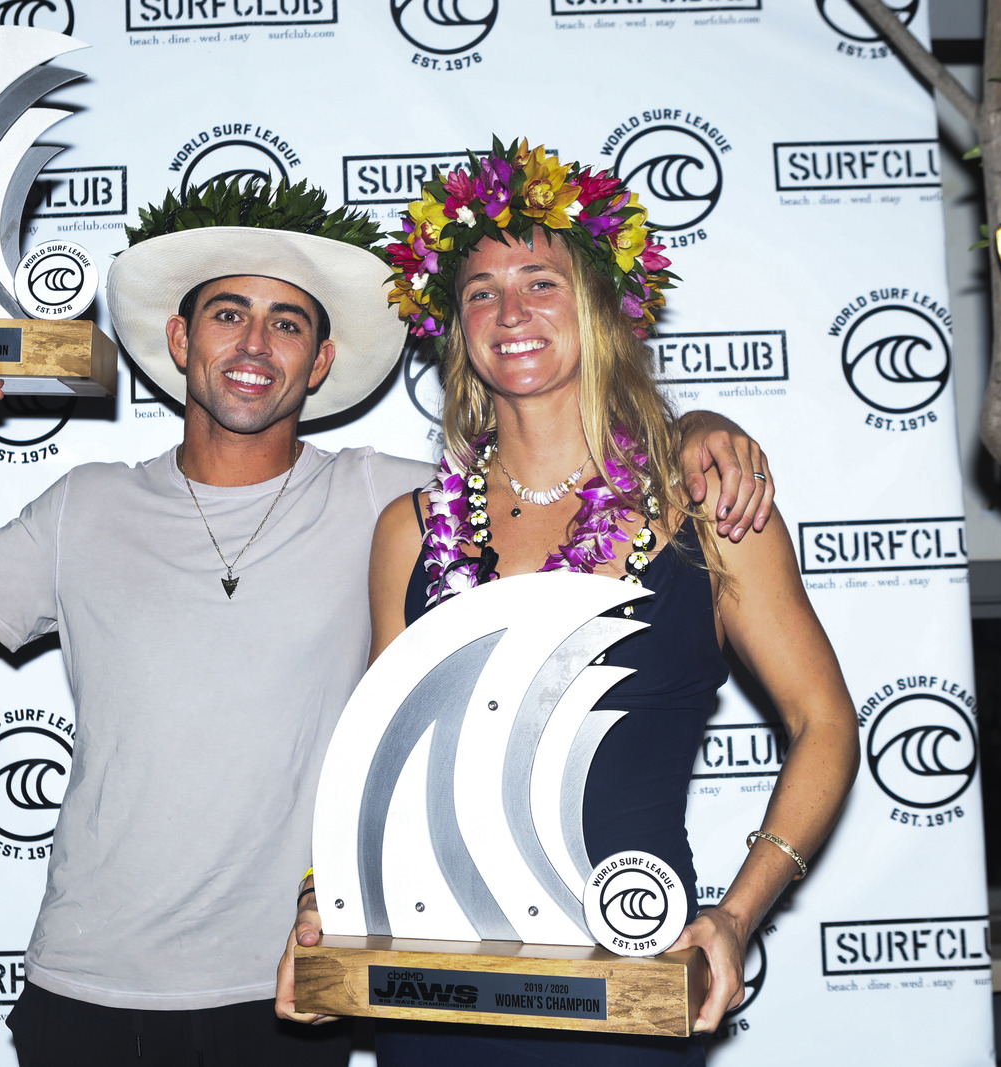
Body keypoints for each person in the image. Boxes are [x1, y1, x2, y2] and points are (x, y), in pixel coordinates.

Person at [0, 176, 775, 1067]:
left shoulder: (394, 505)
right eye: (228, 314)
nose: (255, 343)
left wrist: (696, 429)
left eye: (288, 323)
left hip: (293, 985)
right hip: (89, 979)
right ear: (180, 338)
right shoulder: (84, 507)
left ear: (321, 361)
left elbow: (551, 478)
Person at [276, 142, 859, 1066]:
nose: (510, 312)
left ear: (600, 308)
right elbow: (382, 763)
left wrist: (738, 914)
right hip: (436, 988)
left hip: (629, 976)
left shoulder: (704, 505)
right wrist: (324, 902)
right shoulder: (409, 530)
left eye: (541, 283)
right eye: (480, 291)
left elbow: (824, 722)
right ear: (456, 327)